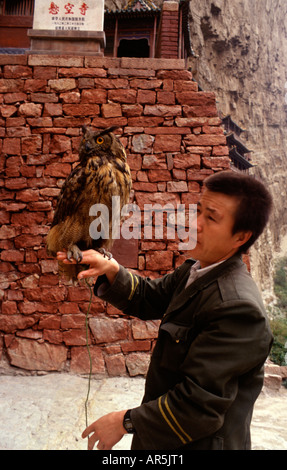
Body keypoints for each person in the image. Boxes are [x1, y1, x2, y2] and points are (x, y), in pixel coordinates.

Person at [57, 170, 273, 451]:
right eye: (198, 211)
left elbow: (197, 407)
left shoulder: (238, 310)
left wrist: (124, 421)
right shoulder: (195, 271)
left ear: (240, 237)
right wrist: (111, 270)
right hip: (162, 438)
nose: (195, 224)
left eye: (211, 217)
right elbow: (150, 296)